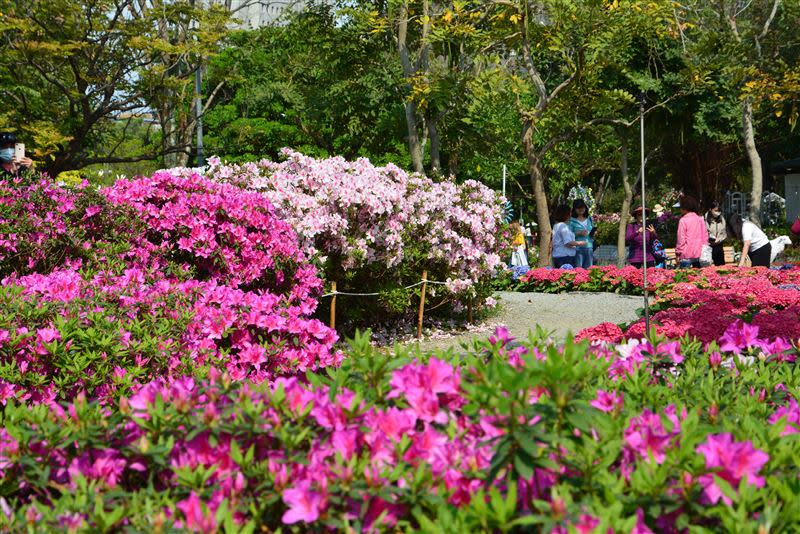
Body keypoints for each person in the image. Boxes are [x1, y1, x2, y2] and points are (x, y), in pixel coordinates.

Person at [675, 195, 709, 268]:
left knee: (685, 278)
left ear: (685, 207)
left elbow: (681, 239)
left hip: (686, 255)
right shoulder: (700, 219)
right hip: (700, 255)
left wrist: (678, 253)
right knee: (699, 278)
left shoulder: (683, 220)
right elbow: (705, 237)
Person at [568, 199, 594, 268]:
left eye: (582, 207)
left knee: (589, 270)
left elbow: (592, 230)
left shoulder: (589, 219)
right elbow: (568, 235)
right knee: (578, 270)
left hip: (589, 247)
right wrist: (578, 233)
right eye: (578, 208)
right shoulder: (571, 221)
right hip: (578, 249)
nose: (581, 209)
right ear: (575, 209)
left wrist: (594, 233)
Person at [705, 201, 727, 266]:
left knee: (721, 266)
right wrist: (711, 238)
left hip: (719, 245)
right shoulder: (706, 219)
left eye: (719, 211)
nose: (717, 212)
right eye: (716, 210)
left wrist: (720, 239)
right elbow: (704, 232)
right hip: (709, 246)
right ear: (710, 209)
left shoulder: (721, 219)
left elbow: (724, 233)